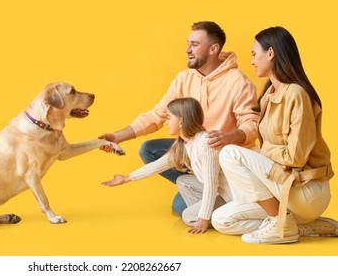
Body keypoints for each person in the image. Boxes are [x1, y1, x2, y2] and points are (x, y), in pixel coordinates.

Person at [99, 21, 259, 216]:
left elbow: (252, 124)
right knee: (149, 150)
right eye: (188, 43)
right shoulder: (184, 78)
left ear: (213, 49)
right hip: (196, 152)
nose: (187, 49)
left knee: (181, 208)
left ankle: (224, 196)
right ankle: (207, 189)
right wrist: (117, 137)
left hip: (222, 159)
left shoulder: (238, 82)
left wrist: (229, 137)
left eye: (194, 44)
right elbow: (157, 115)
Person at [214, 26, 338, 244]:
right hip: (282, 187)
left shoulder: (297, 94)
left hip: (305, 190)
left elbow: (296, 157)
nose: (252, 61)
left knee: (229, 153)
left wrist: (261, 152)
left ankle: (280, 220)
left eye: (255, 54)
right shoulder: (268, 96)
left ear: (271, 53)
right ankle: (301, 226)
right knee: (221, 220)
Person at [102, 98, 238, 234]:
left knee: (187, 216)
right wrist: (126, 178)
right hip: (217, 192)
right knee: (182, 181)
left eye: (168, 118)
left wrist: (203, 218)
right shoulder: (185, 144)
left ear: (180, 121)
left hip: (229, 196)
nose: (166, 122)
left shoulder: (205, 143)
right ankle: (208, 211)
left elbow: (211, 184)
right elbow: (157, 165)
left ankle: (224, 215)